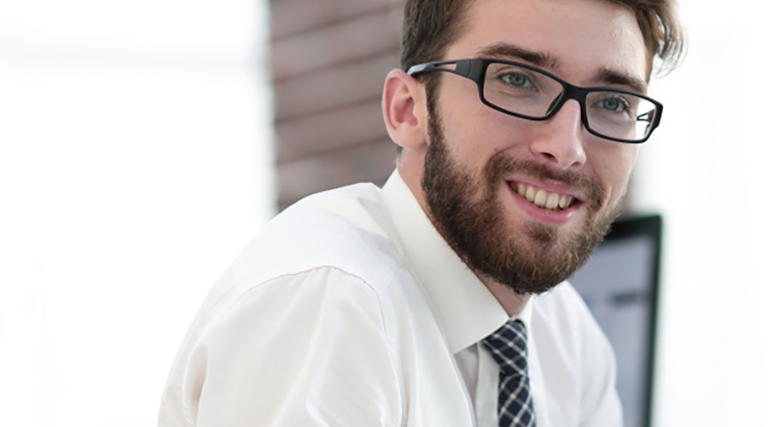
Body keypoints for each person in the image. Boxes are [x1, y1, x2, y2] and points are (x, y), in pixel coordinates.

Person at [157, 0, 683, 425]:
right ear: (408, 110)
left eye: (612, 102)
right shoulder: (330, 301)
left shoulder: (566, 335)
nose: (567, 148)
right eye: (517, 80)